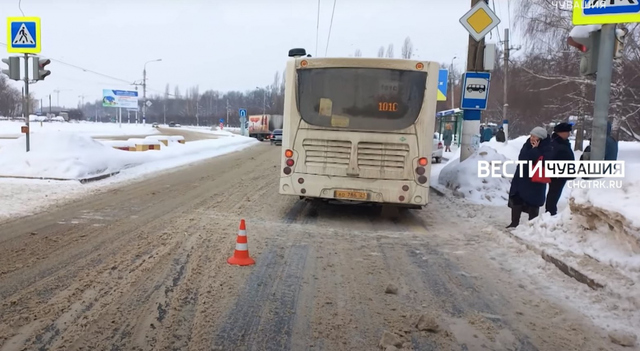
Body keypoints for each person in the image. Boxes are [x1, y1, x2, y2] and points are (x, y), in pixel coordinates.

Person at [507, 127, 554, 228]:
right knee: (517, 199)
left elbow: (543, 162)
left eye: (534, 136)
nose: (532, 138)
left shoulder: (547, 148)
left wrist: (535, 150)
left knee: (533, 202)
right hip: (521, 177)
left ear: (540, 138)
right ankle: (514, 222)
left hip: (535, 180)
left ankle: (532, 224)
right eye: (531, 135)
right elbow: (522, 158)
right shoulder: (527, 144)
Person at [545, 122, 575, 216]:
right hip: (557, 173)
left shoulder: (559, 142)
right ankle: (550, 212)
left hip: (560, 172)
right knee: (554, 192)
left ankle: (550, 211)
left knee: (554, 192)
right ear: (561, 132)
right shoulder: (556, 143)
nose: (569, 134)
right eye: (567, 132)